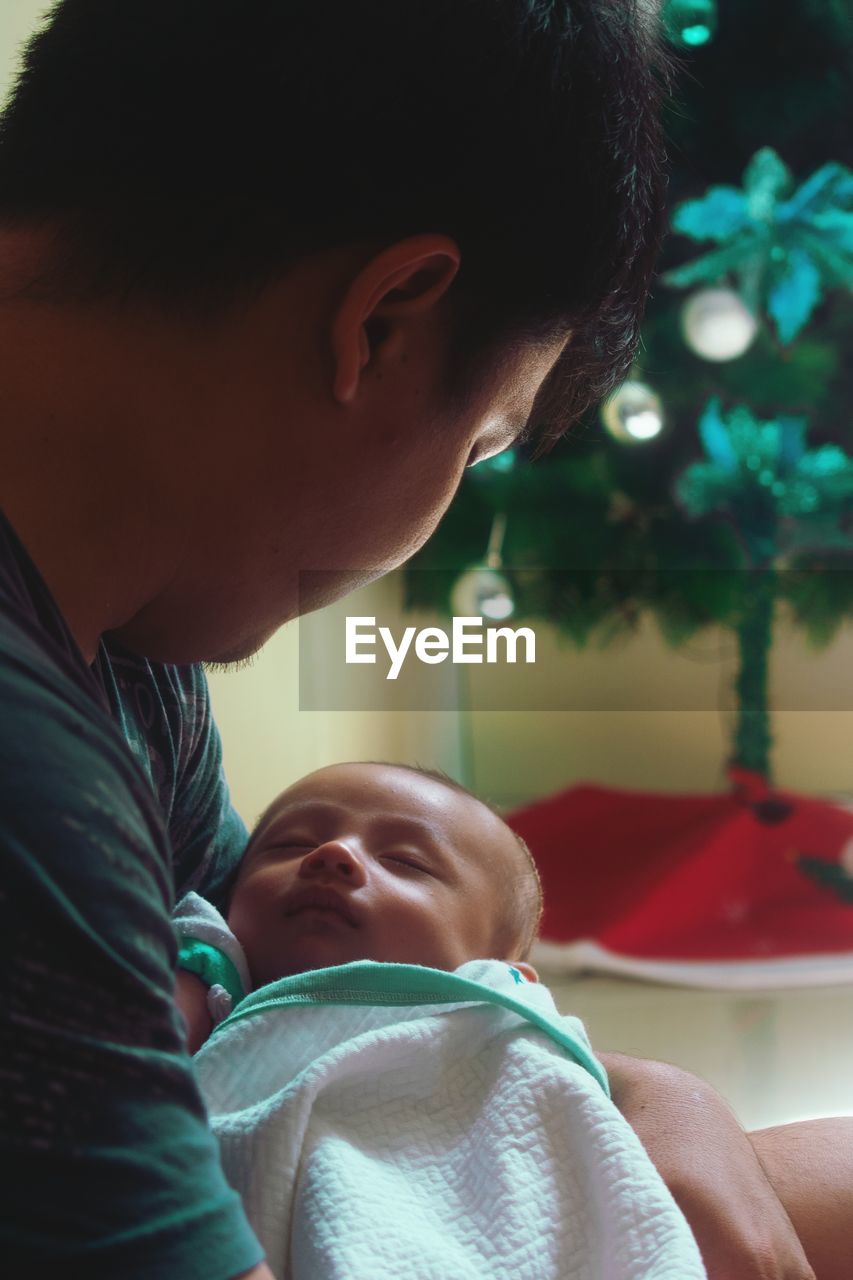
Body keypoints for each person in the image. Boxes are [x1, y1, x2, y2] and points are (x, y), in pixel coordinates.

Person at [0, 2, 828, 1277]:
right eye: (485, 443)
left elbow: (337, 994)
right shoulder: (35, 794)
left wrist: (654, 1088)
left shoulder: (117, 635)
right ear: (383, 320)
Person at [173, 761, 853, 1280]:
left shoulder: (498, 1007)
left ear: (507, 971)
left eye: (404, 861)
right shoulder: (214, 974)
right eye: (287, 846)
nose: (334, 855)